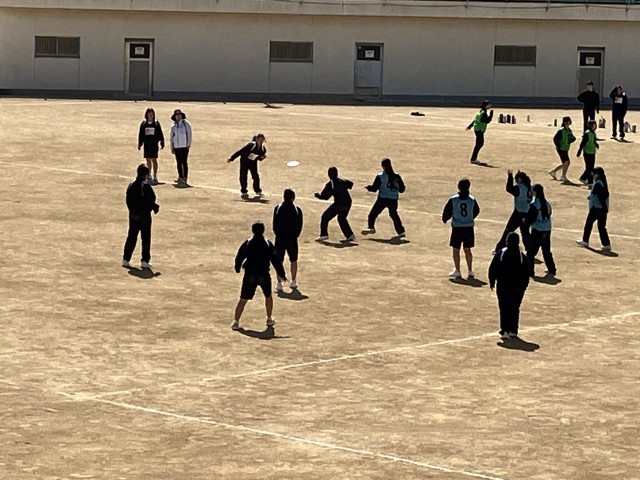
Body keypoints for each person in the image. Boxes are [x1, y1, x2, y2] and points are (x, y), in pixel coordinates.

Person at [232, 221, 287, 331]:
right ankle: (269, 318)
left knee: (243, 299)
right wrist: (282, 274)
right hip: (263, 274)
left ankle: (236, 322)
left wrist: (237, 267)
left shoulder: (248, 243)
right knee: (268, 297)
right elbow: (275, 260)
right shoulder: (267, 243)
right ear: (263, 230)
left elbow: (240, 256)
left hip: (250, 274)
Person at [489, 232, 530, 340]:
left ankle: (505, 330)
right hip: (517, 288)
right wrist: (524, 286)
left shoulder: (501, 253)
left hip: (503, 286)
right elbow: (527, 273)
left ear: (507, 241)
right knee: (515, 307)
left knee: (504, 308)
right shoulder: (521, 256)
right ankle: (513, 329)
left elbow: (493, 268)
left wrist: (492, 281)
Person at [122, 164, 160, 269]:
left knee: (131, 237)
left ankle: (126, 259)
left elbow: (128, 200)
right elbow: (150, 199)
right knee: (145, 238)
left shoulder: (131, 184)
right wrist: (154, 207)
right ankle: (144, 260)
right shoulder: (145, 185)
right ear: (146, 174)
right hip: (144, 216)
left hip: (133, 215)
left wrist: (132, 211)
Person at [442, 178, 480, 279]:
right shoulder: (472, 200)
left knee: (456, 250)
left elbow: (447, 211)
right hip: (469, 228)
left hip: (457, 228)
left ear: (459, 187)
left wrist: (445, 219)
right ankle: (470, 270)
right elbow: (477, 210)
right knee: (468, 250)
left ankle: (457, 270)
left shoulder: (454, 199)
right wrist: (470, 218)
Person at [362, 158, 406, 237]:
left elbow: (375, 188)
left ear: (383, 166)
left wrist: (369, 188)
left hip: (382, 199)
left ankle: (371, 227)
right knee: (394, 215)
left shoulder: (380, 176)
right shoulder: (396, 176)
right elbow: (402, 190)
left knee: (372, 214)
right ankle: (401, 231)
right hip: (393, 199)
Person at [494, 170, 532, 253]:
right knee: (525, 233)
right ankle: (530, 250)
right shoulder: (530, 187)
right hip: (528, 213)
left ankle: (500, 248)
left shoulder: (520, 188)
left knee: (508, 230)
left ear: (520, 179)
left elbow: (509, 188)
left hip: (518, 213)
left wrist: (510, 177)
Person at [273, 189, 303, 291]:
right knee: (293, 260)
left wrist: (278, 234)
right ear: (293, 198)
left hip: (280, 238)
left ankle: (279, 283)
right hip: (292, 239)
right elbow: (299, 225)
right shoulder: (297, 210)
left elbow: (274, 224)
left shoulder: (277, 208)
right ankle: (293, 281)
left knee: (279, 261)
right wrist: (295, 235)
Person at [314, 167, 355, 242]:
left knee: (325, 217)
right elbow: (351, 184)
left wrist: (317, 195)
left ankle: (324, 235)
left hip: (339, 204)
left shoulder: (331, 184)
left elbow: (325, 197)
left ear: (329, 175)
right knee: (341, 218)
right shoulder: (342, 180)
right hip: (348, 203)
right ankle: (349, 235)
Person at [576, 167, 611, 251]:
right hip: (600, 208)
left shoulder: (598, 183)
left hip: (597, 208)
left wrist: (604, 207)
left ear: (597, 174)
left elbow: (600, 196)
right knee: (601, 227)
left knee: (589, 224)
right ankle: (606, 244)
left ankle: (585, 240)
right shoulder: (602, 182)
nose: (592, 175)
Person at [525, 184, 556, 277]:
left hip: (537, 230)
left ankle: (529, 272)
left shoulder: (534, 205)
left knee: (530, 253)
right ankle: (552, 269)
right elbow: (550, 213)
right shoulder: (547, 203)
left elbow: (530, 219)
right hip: (547, 229)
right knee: (546, 250)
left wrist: (525, 222)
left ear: (535, 192)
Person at [227, 134, 267, 199]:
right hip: (244, 162)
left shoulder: (263, 149)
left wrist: (262, 158)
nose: (261, 141)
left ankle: (257, 190)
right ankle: (244, 191)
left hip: (253, 163)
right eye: (259, 139)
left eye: (262, 140)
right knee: (243, 176)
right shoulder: (251, 145)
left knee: (256, 177)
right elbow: (240, 151)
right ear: (256, 139)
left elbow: (258, 158)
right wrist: (232, 158)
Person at [137, 108, 165, 184]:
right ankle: (149, 175)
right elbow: (141, 134)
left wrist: (162, 142)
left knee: (154, 160)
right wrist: (140, 144)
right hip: (147, 144)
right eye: (149, 114)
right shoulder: (144, 124)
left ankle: (155, 175)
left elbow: (160, 133)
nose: (150, 115)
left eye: (152, 114)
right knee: (148, 160)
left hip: (154, 144)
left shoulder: (156, 123)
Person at [549, 116, 576, 183]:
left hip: (566, 148)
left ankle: (554, 171)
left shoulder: (569, 130)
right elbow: (555, 139)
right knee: (566, 162)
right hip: (561, 149)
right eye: (568, 121)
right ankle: (563, 176)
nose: (570, 122)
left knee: (565, 163)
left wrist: (572, 139)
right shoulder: (561, 130)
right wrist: (558, 145)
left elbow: (571, 138)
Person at [170, 109, 192, 186]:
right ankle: (180, 176)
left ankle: (185, 178)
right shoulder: (173, 126)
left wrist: (188, 144)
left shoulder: (186, 124)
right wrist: (172, 147)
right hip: (176, 147)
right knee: (178, 163)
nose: (178, 116)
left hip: (184, 146)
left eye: (180, 115)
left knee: (184, 162)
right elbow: (172, 137)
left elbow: (189, 134)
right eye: (177, 115)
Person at [466, 100, 494, 164]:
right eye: (489, 105)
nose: (490, 106)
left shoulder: (480, 111)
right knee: (479, 144)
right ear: (485, 106)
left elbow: (475, 120)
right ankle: (473, 159)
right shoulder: (483, 113)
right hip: (479, 130)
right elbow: (487, 121)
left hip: (477, 129)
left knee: (479, 144)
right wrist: (491, 114)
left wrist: (470, 126)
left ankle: (473, 158)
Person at [577, 120, 599, 186]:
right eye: (594, 125)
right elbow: (582, 143)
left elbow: (593, 141)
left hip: (592, 152)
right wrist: (579, 151)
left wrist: (596, 144)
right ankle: (585, 179)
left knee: (591, 168)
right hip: (587, 153)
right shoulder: (587, 133)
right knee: (589, 168)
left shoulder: (593, 133)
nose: (596, 126)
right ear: (591, 126)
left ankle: (589, 181)